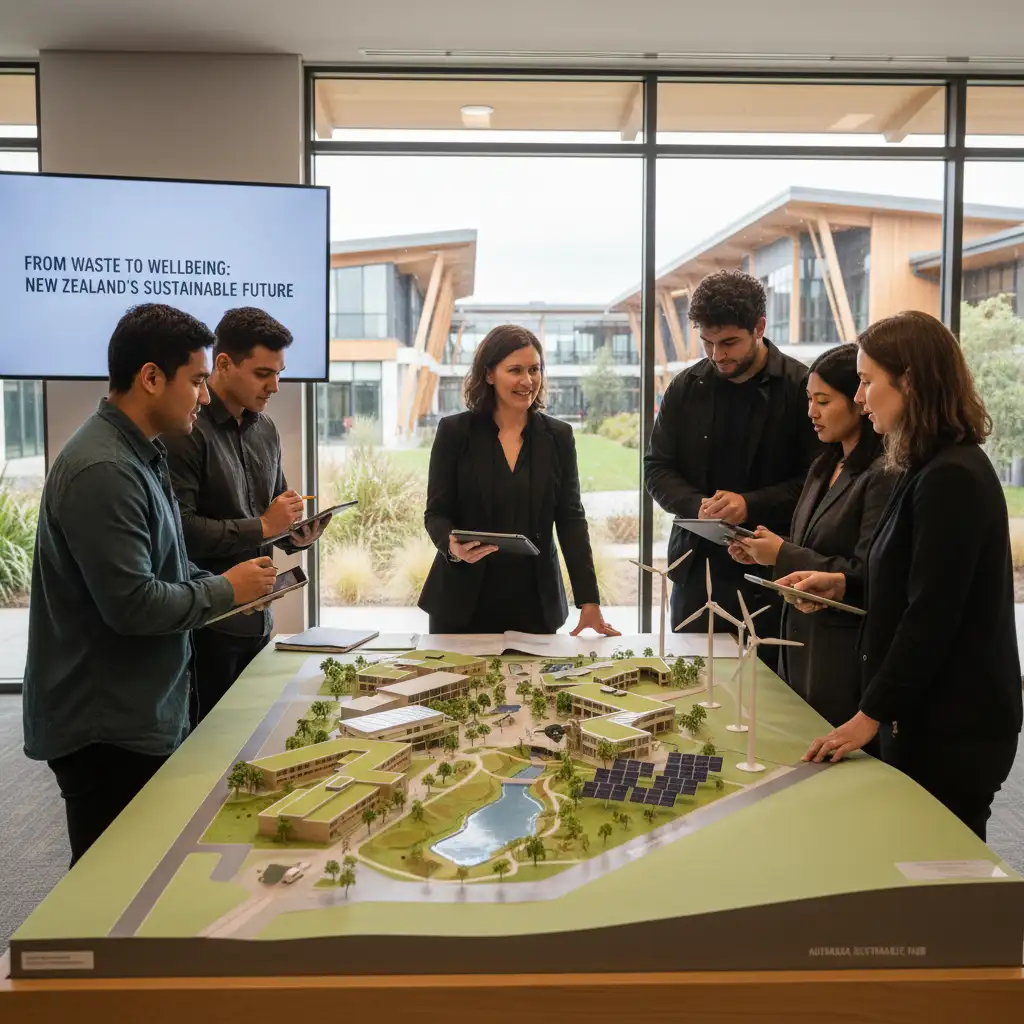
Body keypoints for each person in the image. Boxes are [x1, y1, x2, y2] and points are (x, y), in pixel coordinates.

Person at [22, 304, 279, 866]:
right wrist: (227, 590)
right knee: (110, 886)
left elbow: (168, 565)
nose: (205, 398)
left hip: (137, 711)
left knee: (142, 874)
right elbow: (133, 605)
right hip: (106, 726)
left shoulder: (140, 453)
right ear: (151, 377)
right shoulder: (105, 470)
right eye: (197, 382)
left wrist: (228, 583)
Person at [780, 311, 1022, 840]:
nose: (861, 397)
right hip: (927, 712)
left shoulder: (952, 476)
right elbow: (909, 573)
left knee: (941, 873)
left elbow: (932, 614)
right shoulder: (925, 466)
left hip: (953, 722)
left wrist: (870, 714)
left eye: (867, 382)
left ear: (908, 381)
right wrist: (843, 583)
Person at [644, 270, 820, 662]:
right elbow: (656, 468)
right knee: (691, 695)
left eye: (729, 343)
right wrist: (697, 506)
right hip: (695, 575)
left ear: (759, 326)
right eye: (707, 343)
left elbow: (818, 482)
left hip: (774, 576)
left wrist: (750, 504)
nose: (717, 355)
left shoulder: (800, 387)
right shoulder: (685, 387)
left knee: (771, 702)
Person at [165, 307, 328, 724]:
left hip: (258, 616)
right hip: (206, 626)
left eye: (279, 373)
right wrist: (264, 526)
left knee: (248, 741)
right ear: (223, 363)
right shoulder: (185, 430)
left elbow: (275, 517)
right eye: (262, 374)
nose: (275, 385)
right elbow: (177, 531)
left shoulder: (266, 429)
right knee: (204, 753)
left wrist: (295, 534)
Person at [726, 344, 895, 728]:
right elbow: (810, 544)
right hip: (801, 640)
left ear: (859, 400)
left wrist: (782, 554)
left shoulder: (883, 474)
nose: (811, 413)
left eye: (823, 401)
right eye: (809, 400)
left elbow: (867, 571)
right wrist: (763, 549)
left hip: (842, 652)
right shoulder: (825, 464)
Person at [419, 324, 619, 637]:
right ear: (489, 374)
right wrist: (451, 545)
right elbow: (436, 513)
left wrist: (589, 600)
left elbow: (570, 520)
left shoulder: (559, 437)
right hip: (461, 603)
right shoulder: (454, 433)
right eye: (515, 370)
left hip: (535, 604)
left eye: (534, 369)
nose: (527, 381)